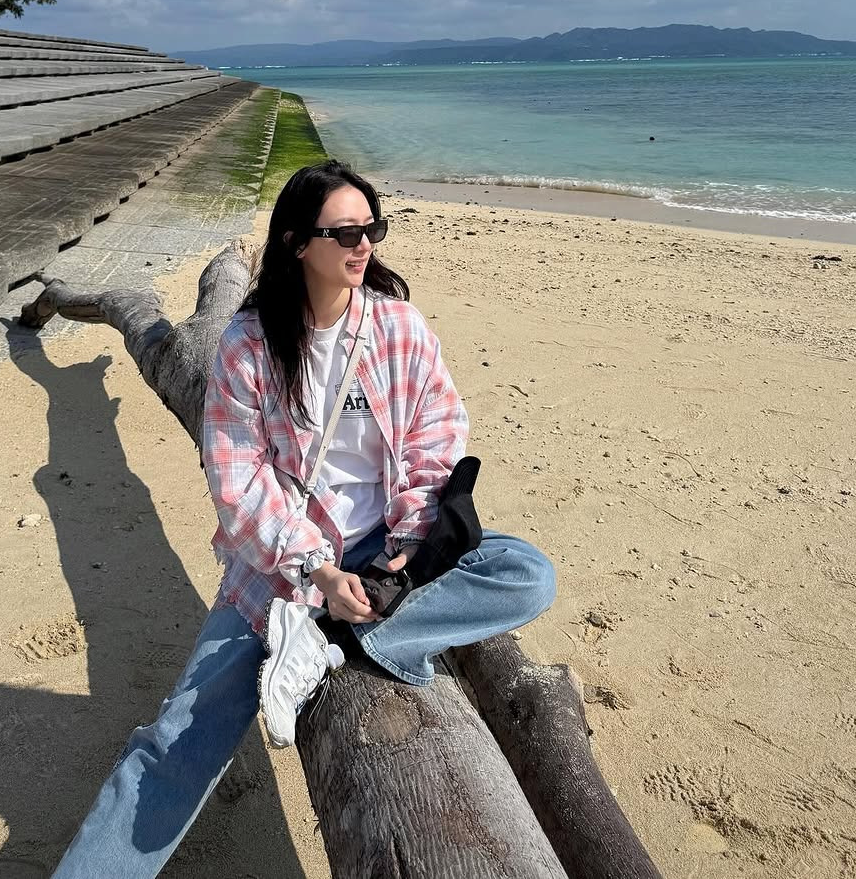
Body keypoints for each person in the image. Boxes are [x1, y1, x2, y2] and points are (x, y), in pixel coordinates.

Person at [52, 160, 555, 877]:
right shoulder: (247, 345)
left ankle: (333, 639)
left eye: (372, 228)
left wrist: (406, 548)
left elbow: (436, 437)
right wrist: (316, 568)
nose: (364, 245)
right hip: (283, 566)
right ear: (296, 243)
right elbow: (238, 481)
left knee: (527, 573)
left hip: (384, 543)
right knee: (178, 739)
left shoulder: (397, 328)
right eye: (345, 232)